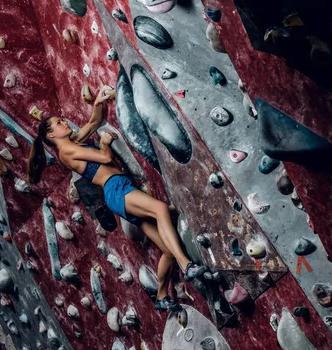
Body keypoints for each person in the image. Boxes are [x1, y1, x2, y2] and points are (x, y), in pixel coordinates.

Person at [26, 87, 206, 311]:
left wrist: (98, 103)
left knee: (166, 250)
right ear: (51, 135)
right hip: (116, 190)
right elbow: (105, 156)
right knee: (160, 209)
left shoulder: (74, 143)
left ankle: (161, 296)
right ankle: (186, 265)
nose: (65, 123)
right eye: (60, 123)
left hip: (121, 188)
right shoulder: (67, 152)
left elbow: (93, 123)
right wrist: (103, 143)